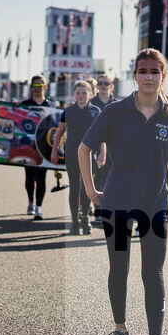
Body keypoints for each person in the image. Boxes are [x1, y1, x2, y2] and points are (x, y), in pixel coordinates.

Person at [79, 48, 168, 335]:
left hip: (155, 206)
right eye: (143, 71)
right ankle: (120, 330)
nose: (149, 76)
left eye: (155, 71)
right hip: (118, 203)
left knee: (152, 273)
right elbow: (84, 149)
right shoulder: (114, 112)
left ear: (163, 76)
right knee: (119, 267)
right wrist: (90, 190)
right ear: (135, 75)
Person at [51, 81, 100, 234]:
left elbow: (102, 134)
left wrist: (103, 152)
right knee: (74, 187)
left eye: (84, 93)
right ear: (74, 94)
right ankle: (74, 222)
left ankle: (85, 220)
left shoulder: (96, 111)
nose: (81, 96)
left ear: (90, 94)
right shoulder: (69, 111)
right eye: (78, 93)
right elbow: (59, 132)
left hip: (90, 155)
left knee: (87, 188)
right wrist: (54, 151)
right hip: (72, 154)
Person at [20, 74, 58, 220]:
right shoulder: (25, 104)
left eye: (40, 85)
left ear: (45, 87)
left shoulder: (52, 106)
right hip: (28, 146)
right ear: (31, 88)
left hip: (44, 148)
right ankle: (31, 201)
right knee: (29, 177)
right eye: (34, 85)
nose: (37, 88)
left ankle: (39, 207)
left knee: (41, 177)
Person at [89, 74, 116, 228]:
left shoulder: (118, 104)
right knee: (97, 178)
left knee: (111, 179)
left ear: (111, 86)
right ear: (97, 86)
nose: (103, 86)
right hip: (95, 146)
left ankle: (108, 210)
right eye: (100, 83)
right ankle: (97, 210)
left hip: (114, 147)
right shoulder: (92, 103)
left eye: (106, 83)